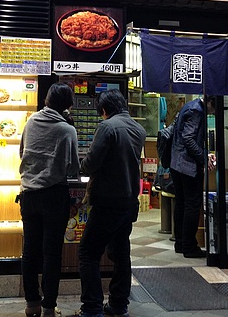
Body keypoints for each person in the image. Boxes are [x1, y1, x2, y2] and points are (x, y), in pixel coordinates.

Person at [74, 89, 146, 317]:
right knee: (121, 253)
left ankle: (92, 307)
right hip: (129, 201)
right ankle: (118, 305)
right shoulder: (138, 129)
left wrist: (80, 166)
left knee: (88, 253)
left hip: (107, 201)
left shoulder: (107, 127)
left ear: (104, 110)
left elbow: (92, 163)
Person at [19, 82, 80, 317]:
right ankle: (48, 307)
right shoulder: (67, 130)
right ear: (67, 105)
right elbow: (73, 168)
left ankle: (31, 304)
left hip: (29, 195)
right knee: (52, 253)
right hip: (54, 196)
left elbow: (22, 152)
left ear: (47, 100)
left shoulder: (31, 122)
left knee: (30, 252)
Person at [170, 95, 216, 258]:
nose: (213, 113)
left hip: (177, 162)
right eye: (214, 109)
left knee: (182, 203)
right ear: (210, 102)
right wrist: (203, 158)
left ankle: (180, 243)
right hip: (187, 165)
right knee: (192, 204)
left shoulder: (190, 105)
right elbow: (188, 138)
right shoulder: (197, 111)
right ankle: (189, 246)